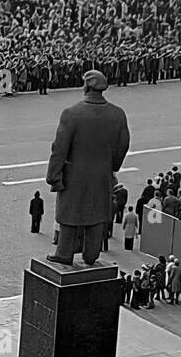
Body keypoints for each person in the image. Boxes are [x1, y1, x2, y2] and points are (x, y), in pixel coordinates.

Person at [44, 70, 132, 267]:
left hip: (74, 175)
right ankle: (91, 254)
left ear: (86, 87)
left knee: (70, 214)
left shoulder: (72, 113)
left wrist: (54, 176)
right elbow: (123, 145)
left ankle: (64, 252)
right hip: (102, 175)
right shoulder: (117, 114)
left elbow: (59, 148)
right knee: (97, 214)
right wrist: (112, 166)